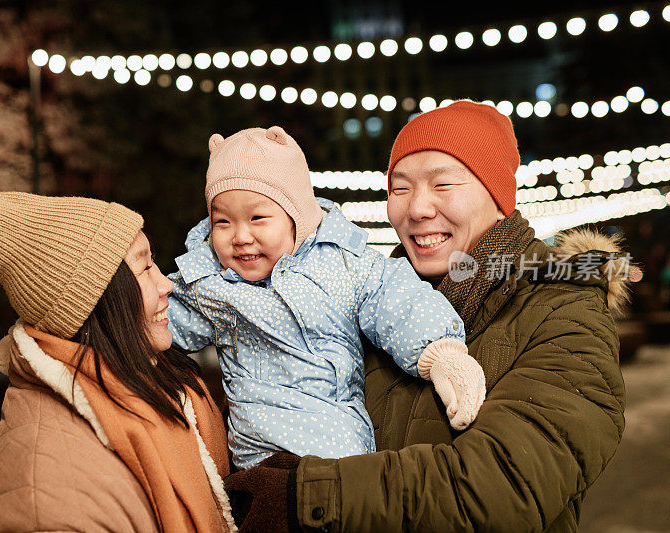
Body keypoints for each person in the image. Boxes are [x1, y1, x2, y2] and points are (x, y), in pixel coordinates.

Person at [225, 101, 628, 532]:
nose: (416, 209)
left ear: (498, 199)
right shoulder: (366, 302)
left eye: (443, 185)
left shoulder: (564, 311)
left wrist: (309, 495)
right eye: (399, 189)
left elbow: (506, 485)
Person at [167, 126, 486, 471]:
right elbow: (153, 317)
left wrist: (440, 354)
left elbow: (396, 298)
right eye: (223, 222)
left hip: (343, 451)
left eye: (258, 218)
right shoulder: (209, 284)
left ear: (297, 218)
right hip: (262, 459)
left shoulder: (344, 263)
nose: (241, 236)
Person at [0, 192, 236, 532]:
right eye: (144, 268)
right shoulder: (48, 502)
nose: (166, 285)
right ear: (95, 300)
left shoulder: (157, 380)